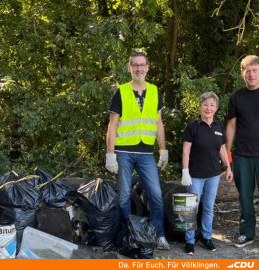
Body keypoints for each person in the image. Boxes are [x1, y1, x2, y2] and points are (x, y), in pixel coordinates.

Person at [105, 51, 170, 250]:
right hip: (124, 152)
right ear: (129, 68)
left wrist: (163, 149)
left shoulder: (154, 91)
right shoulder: (121, 91)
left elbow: (158, 123)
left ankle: (159, 236)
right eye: (135, 65)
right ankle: (127, 235)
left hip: (146, 153)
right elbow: (112, 125)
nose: (139, 68)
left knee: (156, 195)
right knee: (124, 196)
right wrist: (110, 154)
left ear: (147, 68)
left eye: (142, 65)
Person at [181, 91, 233, 255]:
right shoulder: (193, 127)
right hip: (195, 175)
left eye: (211, 105)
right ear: (200, 107)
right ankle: (189, 241)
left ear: (216, 108)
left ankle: (206, 237)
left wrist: (228, 167)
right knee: (191, 209)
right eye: (205, 104)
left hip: (213, 175)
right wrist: (185, 171)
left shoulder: (218, 127)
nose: (208, 108)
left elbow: (222, 149)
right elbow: (186, 152)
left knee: (209, 207)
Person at [226, 55, 259, 248]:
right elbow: (231, 126)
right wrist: (228, 155)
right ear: (242, 73)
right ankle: (247, 233)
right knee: (245, 196)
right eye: (248, 71)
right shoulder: (236, 97)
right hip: (242, 156)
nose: (252, 74)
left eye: (255, 70)